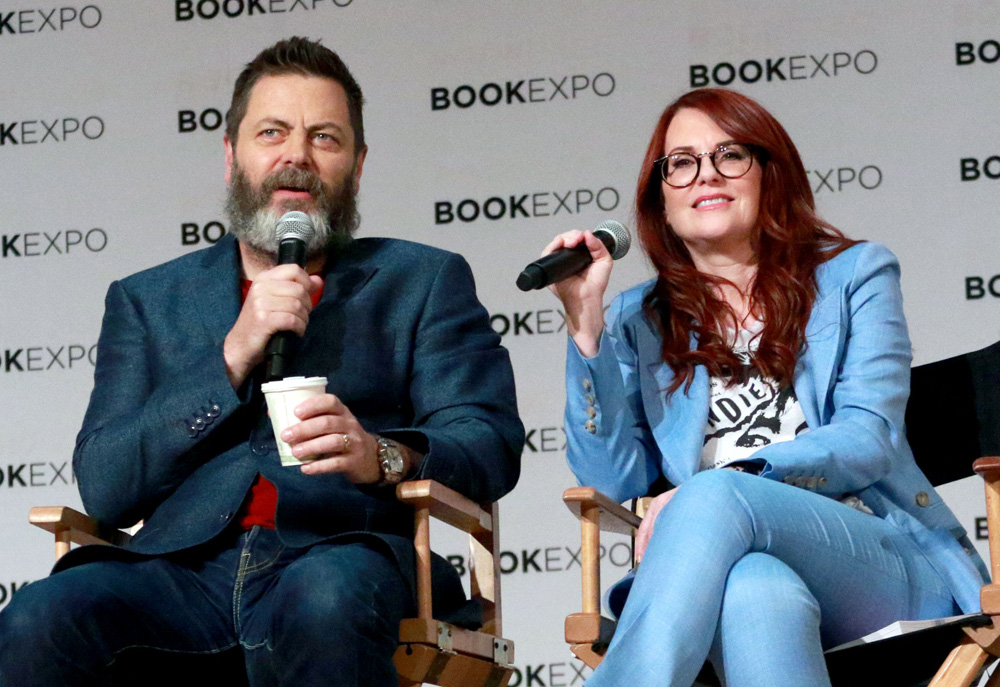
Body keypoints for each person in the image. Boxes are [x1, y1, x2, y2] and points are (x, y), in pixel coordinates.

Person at [0, 37, 523, 687]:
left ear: (357, 167)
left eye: (325, 138)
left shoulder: (422, 281)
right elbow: (105, 483)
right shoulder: (148, 299)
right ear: (231, 155)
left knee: (326, 596)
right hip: (178, 572)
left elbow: (488, 441)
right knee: (37, 618)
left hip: (344, 557)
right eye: (271, 132)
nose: (295, 156)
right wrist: (230, 354)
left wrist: (380, 454)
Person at [544, 88, 987, 687]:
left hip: (882, 561)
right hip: (732, 565)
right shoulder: (638, 319)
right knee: (756, 592)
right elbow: (611, 478)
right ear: (662, 202)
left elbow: (868, 436)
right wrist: (586, 328)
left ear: (769, 174)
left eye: (730, 154)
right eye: (682, 162)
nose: (706, 174)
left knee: (711, 495)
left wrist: (737, 480)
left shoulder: (855, 275)